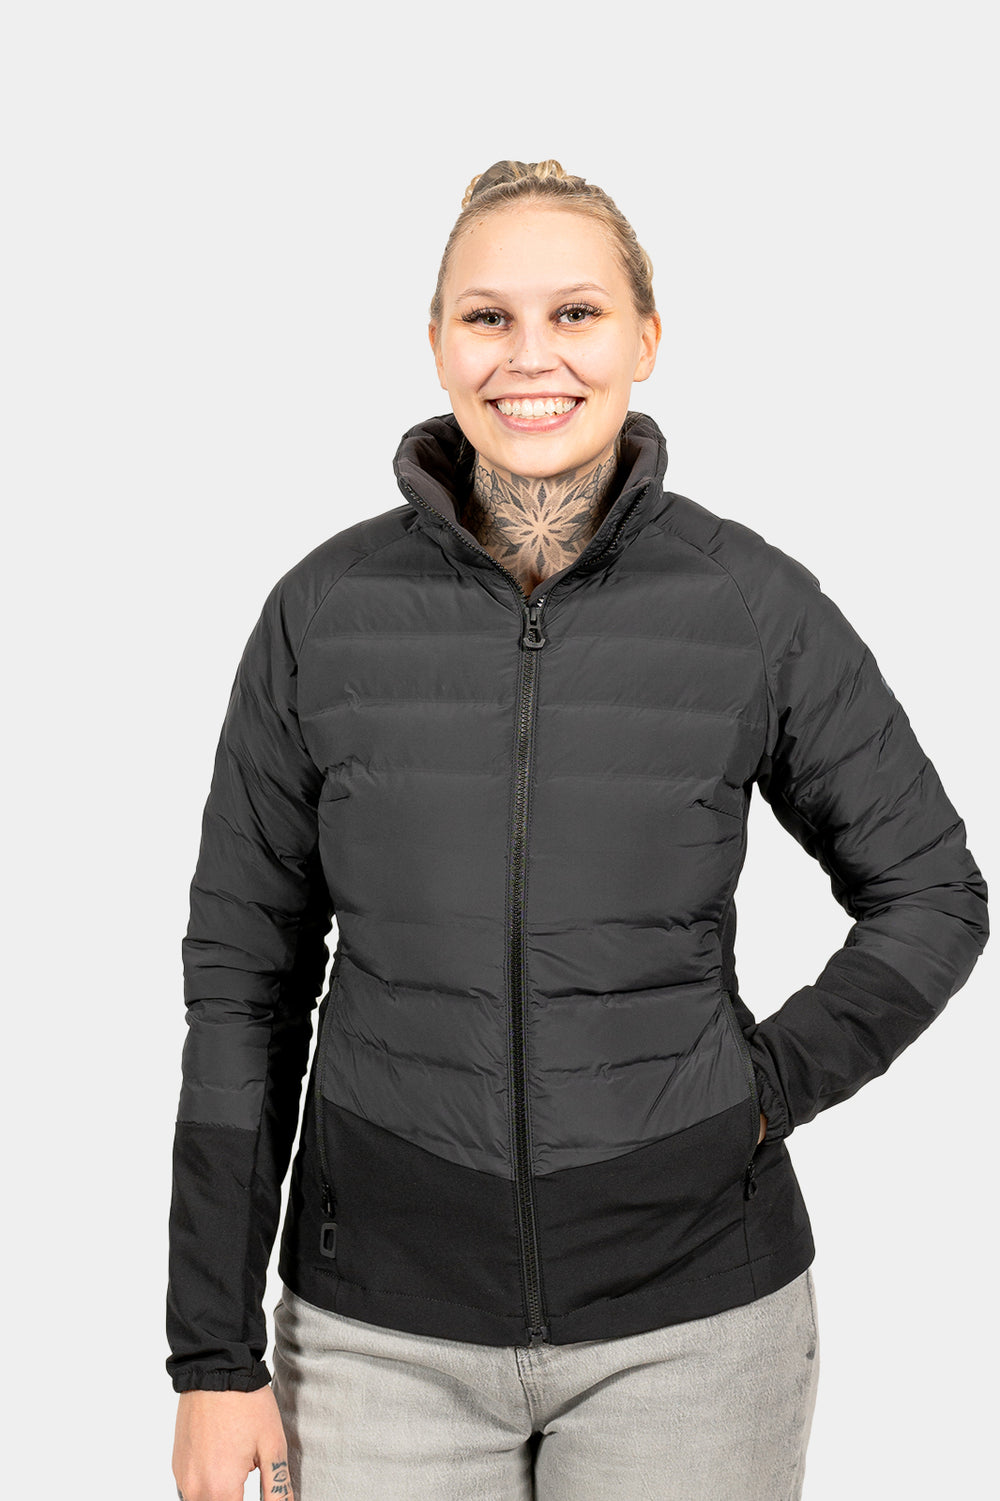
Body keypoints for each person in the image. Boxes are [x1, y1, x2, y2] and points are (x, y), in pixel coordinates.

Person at [168, 159, 989, 1500]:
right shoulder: (322, 613)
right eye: (488, 317)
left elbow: (932, 892)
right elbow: (241, 987)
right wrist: (212, 1354)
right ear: (437, 342)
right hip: (378, 1330)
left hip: (695, 1326)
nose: (530, 356)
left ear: (645, 339)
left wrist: (760, 1090)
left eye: (577, 314)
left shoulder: (749, 604)